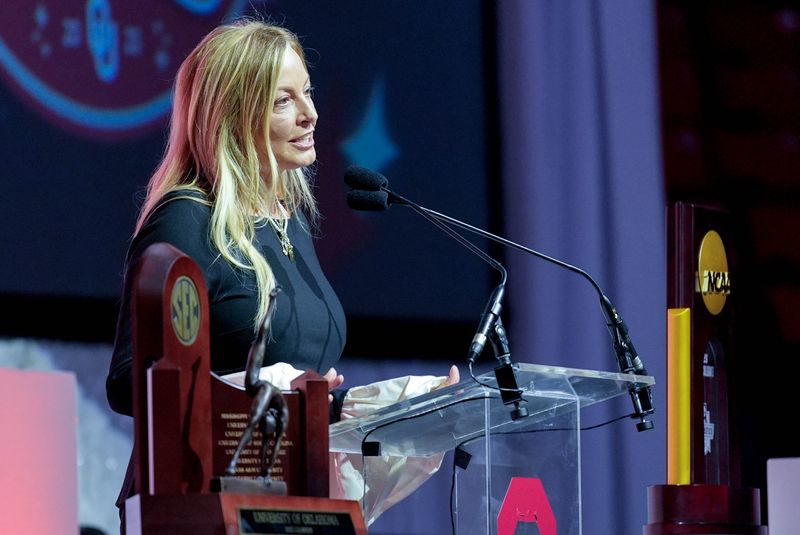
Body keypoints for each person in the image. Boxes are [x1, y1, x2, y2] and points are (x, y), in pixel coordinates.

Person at [105, 18, 458, 531]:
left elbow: (294, 393)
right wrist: (270, 388)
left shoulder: (285, 222)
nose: (311, 115)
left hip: (294, 499)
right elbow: (130, 384)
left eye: (308, 93)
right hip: (201, 504)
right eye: (283, 101)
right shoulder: (187, 218)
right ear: (232, 116)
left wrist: (395, 410)